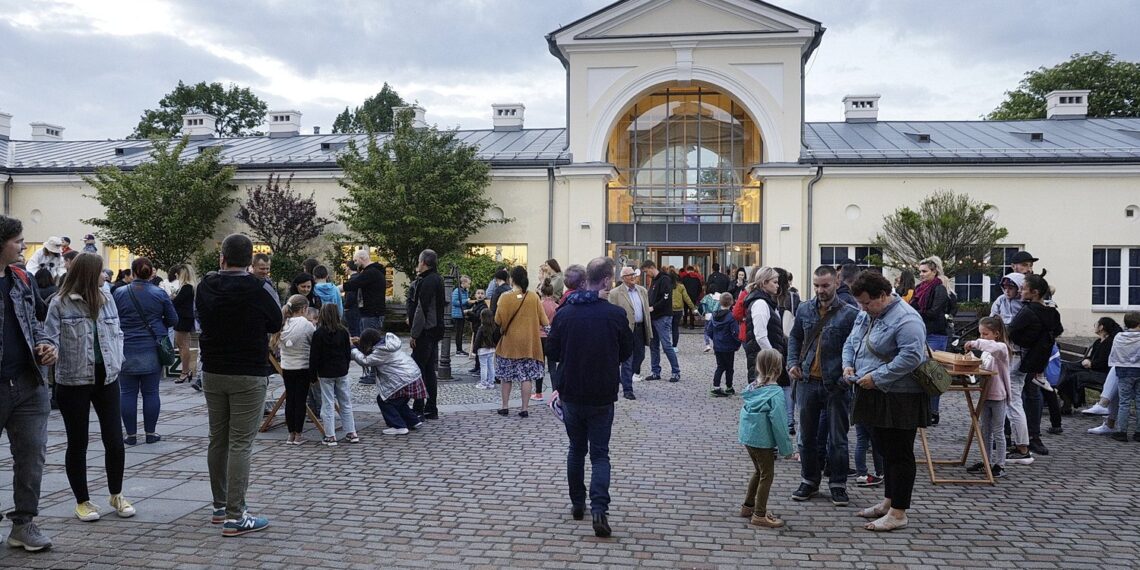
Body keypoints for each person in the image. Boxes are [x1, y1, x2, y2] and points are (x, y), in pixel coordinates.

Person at [196, 233, 283, 536]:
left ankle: (220, 506)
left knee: (217, 438)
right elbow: (275, 322)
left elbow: (201, 316)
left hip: (214, 369)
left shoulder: (205, 285)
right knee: (240, 443)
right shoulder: (259, 287)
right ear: (250, 262)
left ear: (221, 257)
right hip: (247, 370)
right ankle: (237, 514)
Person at [545, 257, 634, 538]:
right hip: (601, 393)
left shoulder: (565, 314)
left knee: (576, 449)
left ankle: (577, 503)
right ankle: (599, 508)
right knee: (599, 454)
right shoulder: (615, 315)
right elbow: (626, 352)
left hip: (572, 391)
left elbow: (554, 352)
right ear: (607, 280)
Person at [43, 252, 136, 521]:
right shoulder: (59, 304)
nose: (104, 274)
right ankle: (82, 501)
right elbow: (50, 337)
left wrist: (118, 362)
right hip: (73, 381)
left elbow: (117, 334)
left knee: (115, 441)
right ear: (87, 273)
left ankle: (116, 493)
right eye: (100, 270)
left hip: (107, 378)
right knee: (78, 442)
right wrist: (51, 351)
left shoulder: (107, 300)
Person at [843, 270, 929, 532]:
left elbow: (911, 357)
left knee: (899, 452)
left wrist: (877, 377)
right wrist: (847, 365)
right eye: (860, 303)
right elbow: (852, 341)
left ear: (883, 295)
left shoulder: (907, 319)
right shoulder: (867, 313)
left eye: (868, 303)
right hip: (873, 390)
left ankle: (899, 512)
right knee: (884, 448)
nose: (864, 308)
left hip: (900, 396)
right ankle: (889, 502)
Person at [0, 216, 60, 551]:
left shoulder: (21, 278)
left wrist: (48, 344)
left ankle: (24, 525)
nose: (24, 246)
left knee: (32, 456)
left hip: (28, 383)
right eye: (18, 241)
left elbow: (39, 320)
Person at [786, 265, 859, 507]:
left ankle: (837, 484)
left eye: (825, 285)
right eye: (817, 286)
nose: (820, 290)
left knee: (837, 439)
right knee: (805, 438)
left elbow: (856, 348)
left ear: (836, 282)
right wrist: (792, 362)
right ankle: (809, 480)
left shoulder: (850, 313)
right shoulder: (805, 308)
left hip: (835, 385)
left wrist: (844, 378)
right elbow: (795, 337)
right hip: (807, 382)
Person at [113, 257, 178, 446]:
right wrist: (159, 326)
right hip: (152, 347)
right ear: (151, 273)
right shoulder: (159, 293)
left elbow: (113, 319)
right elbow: (174, 320)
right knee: (151, 392)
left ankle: (131, 435)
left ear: (132, 273)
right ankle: (151, 432)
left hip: (126, 347)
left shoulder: (119, 293)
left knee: (127, 392)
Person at [737, 348, 795, 528]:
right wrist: (787, 449)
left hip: (749, 437)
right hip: (762, 440)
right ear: (779, 369)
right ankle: (759, 514)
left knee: (758, 471)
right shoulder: (775, 393)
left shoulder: (753, 387)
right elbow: (779, 422)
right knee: (767, 475)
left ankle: (748, 506)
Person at [1007, 274, 1064, 457]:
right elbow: (1057, 331)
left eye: (1024, 289)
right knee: (1019, 400)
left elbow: (1012, 332)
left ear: (1035, 292)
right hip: (1034, 359)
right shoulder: (1051, 312)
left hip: (1019, 357)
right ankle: (1024, 440)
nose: (1021, 291)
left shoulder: (1028, 311)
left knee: (1014, 402)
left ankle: (1022, 445)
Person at [493, 265, 548, 417]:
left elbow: (498, 319)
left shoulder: (505, 297)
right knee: (526, 377)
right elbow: (544, 320)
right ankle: (524, 409)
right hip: (529, 344)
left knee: (506, 377)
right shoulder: (533, 297)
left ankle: (505, 406)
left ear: (512, 279)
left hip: (509, 344)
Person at [963, 317, 1014, 478]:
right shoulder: (987, 351)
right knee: (985, 429)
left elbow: (993, 346)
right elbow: (982, 365)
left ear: (996, 334)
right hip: (985, 394)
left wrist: (976, 342)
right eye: (980, 334)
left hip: (998, 395)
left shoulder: (1002, 349)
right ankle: (986, 460)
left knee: (998, 431)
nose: (982, 337)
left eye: (985, 334)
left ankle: (1000, 464)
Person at [352, 328, 427, 434]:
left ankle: (398, 426)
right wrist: (360, 342)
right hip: (413, 376)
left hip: (403, 380)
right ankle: (413, 421)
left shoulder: (380, 351)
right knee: (398, 401)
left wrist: (353, 349)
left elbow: (365, 361)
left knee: (384, 400)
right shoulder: (387, 344)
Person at [309, 304, 357, 446]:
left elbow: (314, 357)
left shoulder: (318, 334)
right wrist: (345, 366)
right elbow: (348, 353)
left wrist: (312, 375)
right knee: (345, 402)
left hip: (325, 372)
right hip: (341, 370)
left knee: (327, 404)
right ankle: (351, 432)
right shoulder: (343, 332)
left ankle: (330, 435)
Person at [910, 256, 950, 425]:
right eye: (920, 271)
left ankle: (933, 411)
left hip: (935, 334)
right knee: (919, 372)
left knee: (932, 374)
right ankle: (923, 410)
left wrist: (916, 312)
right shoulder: (920, 288)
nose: (921, 274)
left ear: (934, 272)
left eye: (925, 271)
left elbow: (934, 311)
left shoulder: (939, 289)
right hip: (922, 332)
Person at [407, 249, 445, 419]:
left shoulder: (427, 281)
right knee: (429, 370)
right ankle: (430, 407)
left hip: (425, 331)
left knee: (418, 369)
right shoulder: (437, 279)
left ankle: (419, 406)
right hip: (434, 330)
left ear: (423, 262)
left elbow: (422, 309)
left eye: (419, 261)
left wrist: (414, 334)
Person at [1058, 317, 1120, 413]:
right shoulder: (1098, 341)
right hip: (1093, 369)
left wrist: (1091, 364)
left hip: (1103, 374)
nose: (1094, 326)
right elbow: (1092, 357)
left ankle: (1067, 401)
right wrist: (1087, 360)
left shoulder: (1110, 342)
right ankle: (1067, 401)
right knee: (1065, 367)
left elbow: (1105, 363)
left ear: (1101, 327)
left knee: (1072, 375)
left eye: (1096, 324)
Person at [343, 250, 386, 384]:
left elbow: (353, 285)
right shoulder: (373, 271)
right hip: (370, 312)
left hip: (371, 313)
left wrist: (332, 288)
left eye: (356, 261)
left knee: (372, 343)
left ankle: (374, 374)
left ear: (362, 258)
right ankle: (372, 373)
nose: (355, 264)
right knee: (369, 342)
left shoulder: (370, 272)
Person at [608, 266, 651, 400]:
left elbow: (645, 312)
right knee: (627, 359)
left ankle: (624, 378)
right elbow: (611, 313)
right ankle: (628, 389)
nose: (633, 277)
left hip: (640, 328)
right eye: (629, 275)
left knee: (640, 356)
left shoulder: (642, 290)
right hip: (625, 330)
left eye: (633, 274)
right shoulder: (615, 293)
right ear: (623, 278)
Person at [278, 295, 315, 445]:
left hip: (287, 366)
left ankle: (290, 434)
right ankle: (298, 435)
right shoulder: (305, 324)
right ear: (304, 308)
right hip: (302, 366)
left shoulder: (284, 323)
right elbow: (314, 341)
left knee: (290, 400)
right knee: (300, 401)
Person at [640, 260, 680, 382]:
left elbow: (666, 298)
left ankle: (675, 372)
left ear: (651, 268)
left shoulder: (664, 279)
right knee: (653, 345)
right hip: (654, 317)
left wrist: (653, 307)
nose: (647, 274)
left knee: (666, 345)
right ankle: (655, 371)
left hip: (663, 317)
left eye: (646, 272)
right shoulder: (654, 281)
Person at [1109, 312, 1140, 442]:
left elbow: (1114, 352)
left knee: (1124, 402)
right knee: (1139, 402)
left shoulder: (1118, 337)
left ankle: (1122, 431)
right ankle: (1138, 432)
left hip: (1123, 370)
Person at [707, 292, 741, 396]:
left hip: (718, 346)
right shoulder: (731, 317)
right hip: (729, 346)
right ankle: (729, 387)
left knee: (720, 366)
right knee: (729, 368)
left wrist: (715, 339)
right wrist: (737, 343)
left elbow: (709, 330)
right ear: (731, 302)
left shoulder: (714, 315)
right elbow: (735, 332)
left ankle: (716, 386)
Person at [171, 264, 197, 384]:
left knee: (182, 345)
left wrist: (172, 297)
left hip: (183, 318)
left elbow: (177, 302)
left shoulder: (186, 287)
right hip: (184, 317)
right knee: (183, 345)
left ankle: (185, 371)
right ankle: (187, 371)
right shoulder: (189, 287)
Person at [533, 280, 558, 402]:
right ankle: (555, 393)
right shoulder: (556, 305)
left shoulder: (540, 305)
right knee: (553, 367)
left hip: (540, 335)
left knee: (539, 365)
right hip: (551, 336)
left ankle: (538, 393)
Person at [472, 310, 498, 390]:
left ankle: (483, 383)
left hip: (483, 350)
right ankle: (491, 382)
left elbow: (477, 340)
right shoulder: (494, 327)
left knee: (483, 366)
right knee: (491, 365)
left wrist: (474, 350)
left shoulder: (481, 328)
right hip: (492, 349)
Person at [670, 267, 696, 347]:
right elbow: (686, 298)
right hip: (678, 309)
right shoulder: (681, 287)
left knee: (667, 329)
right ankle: (674, 346)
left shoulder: (666, 286)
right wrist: (692, 307)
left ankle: (667, 346)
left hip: (668, 310)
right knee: (675, 328)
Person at [450, 275, 472, 356]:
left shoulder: (465, 291)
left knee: (460, 332)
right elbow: (454, 302)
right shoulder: (457, 291)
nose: (469, 285)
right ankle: (458, 350)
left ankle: (460, 349)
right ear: (463, 283)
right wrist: (466, 301)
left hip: (462, 314)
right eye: (468, 283)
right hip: (457, 315)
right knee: (458, 333)